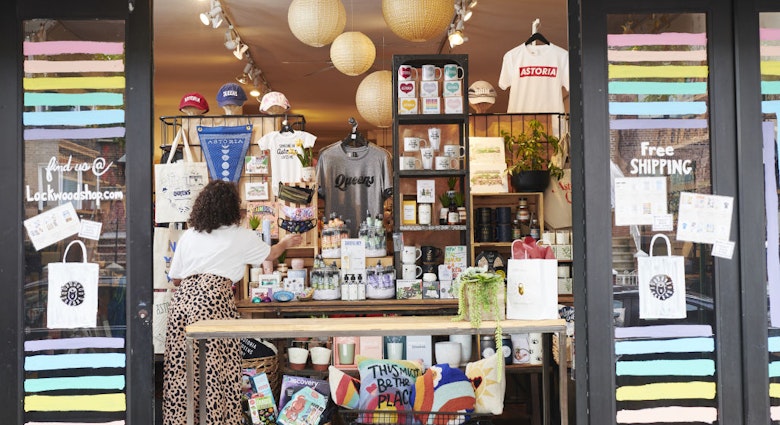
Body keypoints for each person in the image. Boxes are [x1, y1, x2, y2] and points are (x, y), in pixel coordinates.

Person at [163, 180, 302, 425]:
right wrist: (286, 243)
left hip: (183, 302)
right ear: (231, 208)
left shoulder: (189, 235)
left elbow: (175, 278)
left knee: (182, 372)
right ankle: (218, 420)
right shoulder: (240, 235)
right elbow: (268, 254)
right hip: (213, 299)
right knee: (217, 370)